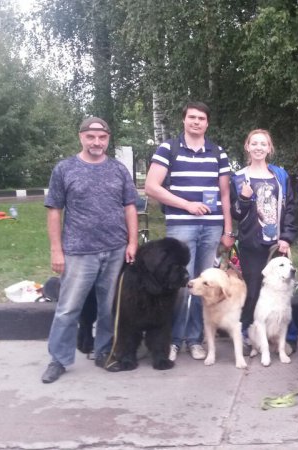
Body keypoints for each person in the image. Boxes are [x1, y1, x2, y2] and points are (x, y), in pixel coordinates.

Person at [41, 117, 139, 383]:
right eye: (91, 137)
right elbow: (54, 211)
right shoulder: (65, 169)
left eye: (102, 137)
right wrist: (56, 250)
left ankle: (104, 351)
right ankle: (59, 359)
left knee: (108, 308)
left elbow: (130, 207)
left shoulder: (118, 170)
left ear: (108, 139)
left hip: (115, 249)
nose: (97, 142)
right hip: (78, 251)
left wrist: (132, 243)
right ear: (81, 137)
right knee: (68, 307)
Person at [144, 101, 235, 360]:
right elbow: (151, 187)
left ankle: (195, 339)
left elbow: (225, 194)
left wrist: (228, 229)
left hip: (213, 226)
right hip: (181, 225)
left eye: (201, 118)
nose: (196, 122)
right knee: (179, 282)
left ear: (207, 123)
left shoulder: (218, 152)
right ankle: (172, 340)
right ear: (183, 120)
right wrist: (187, 205)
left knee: (204, 285)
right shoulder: (168, 149)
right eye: (192, 117)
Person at [230, 129, 297, 334]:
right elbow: (236, 214)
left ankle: (279, 333)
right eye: (254, 143)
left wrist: (287, 236)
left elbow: (291, 207)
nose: (259, 147)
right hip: (251, 243)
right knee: (253, 289)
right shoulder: (239, 178)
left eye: (263, 144)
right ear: (247, 147)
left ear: (269, 148)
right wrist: (243, 198)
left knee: (281, 288)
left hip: (276, 243)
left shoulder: (280, 175)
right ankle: (246, 331)